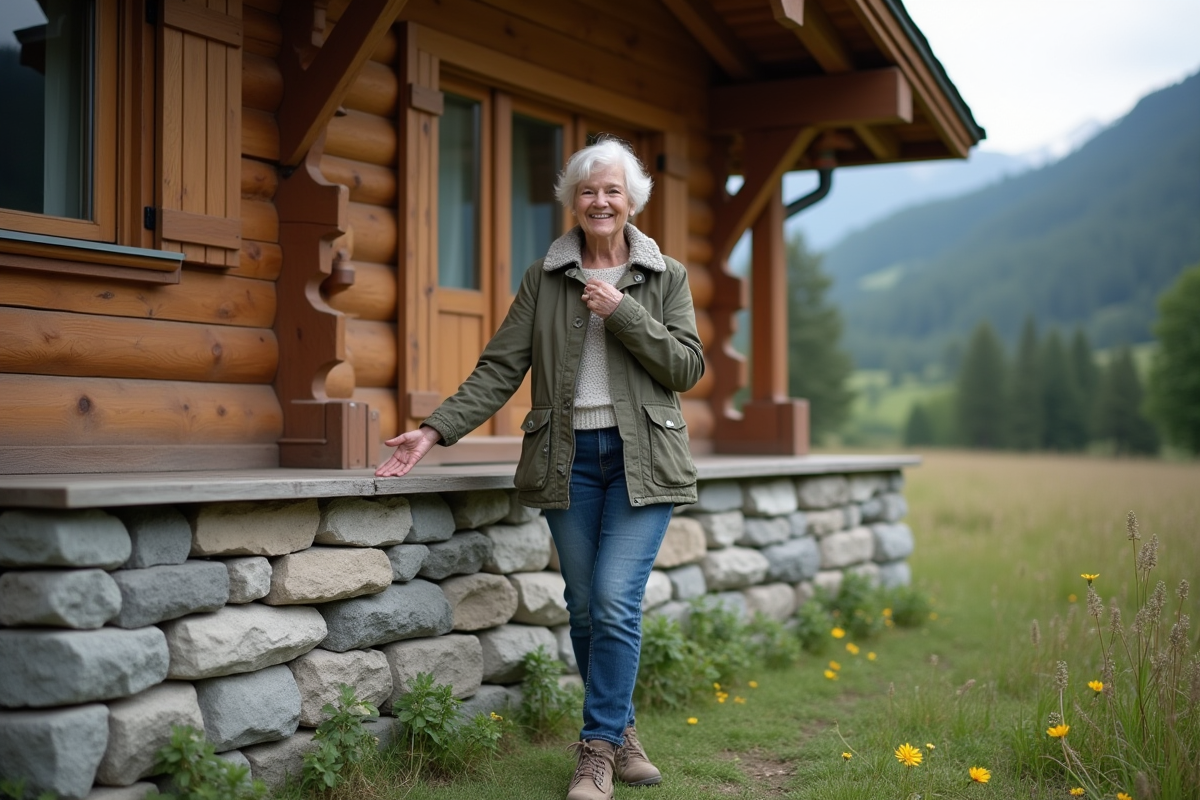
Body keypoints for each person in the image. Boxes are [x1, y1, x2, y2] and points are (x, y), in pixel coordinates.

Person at [375, 136, 703, 800]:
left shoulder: (665, 276)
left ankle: (594, 756)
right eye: (587, 190)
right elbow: (499, 368)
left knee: (614, 601)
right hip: (569, 461)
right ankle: (621, 734)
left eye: (612, 189)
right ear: (572, 201)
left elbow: (686, 368)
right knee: (584, 608)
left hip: (644, 462)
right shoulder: (546, 277)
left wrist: (626, 314)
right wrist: (435, 431)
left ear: (632, 199)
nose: (600, 200)